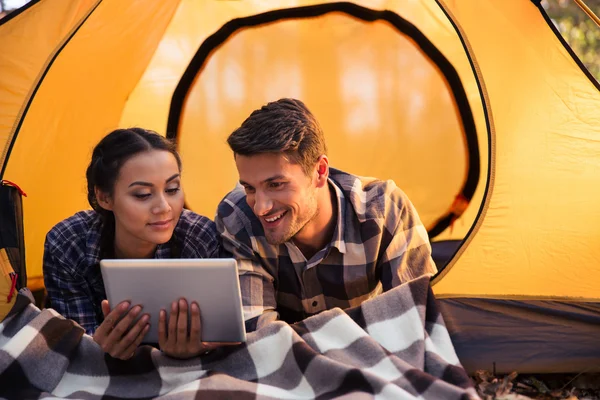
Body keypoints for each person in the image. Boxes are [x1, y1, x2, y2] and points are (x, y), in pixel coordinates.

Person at [216, 98, 438, 330]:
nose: (260, 208)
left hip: (368, 359)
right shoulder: (236, 218)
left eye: (276, 185)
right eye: (249, 188)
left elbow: (414, 325)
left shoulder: (385, 210)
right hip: (301, 359)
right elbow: (259, 336)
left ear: (320, 171)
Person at [43, 128, 221, 360]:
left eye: (172, 189)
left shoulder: (199, 236)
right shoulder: (68, 243)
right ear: (104, 198)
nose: (164, 207)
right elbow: (76, 349)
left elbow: (221, 334)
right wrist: (95, 350)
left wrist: (200, 347)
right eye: (143, 194)